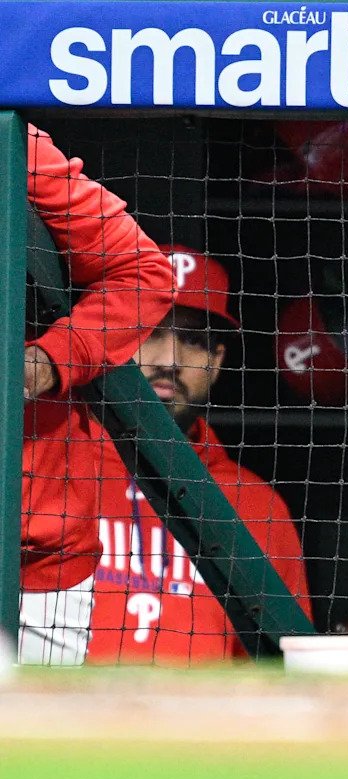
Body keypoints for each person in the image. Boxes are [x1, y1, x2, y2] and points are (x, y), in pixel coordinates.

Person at [86, 245, 311, 665]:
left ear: (218, 361)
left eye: (193, 340)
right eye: (150, 329)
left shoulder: (256, 505)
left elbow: (284, 672)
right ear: (108, 335)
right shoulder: (45, 463)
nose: (170, 360)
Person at [19, 125, 175, 666]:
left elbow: (142, 273)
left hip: (36, 561)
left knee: (38, 723)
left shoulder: (17, 145)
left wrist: (46, 361)